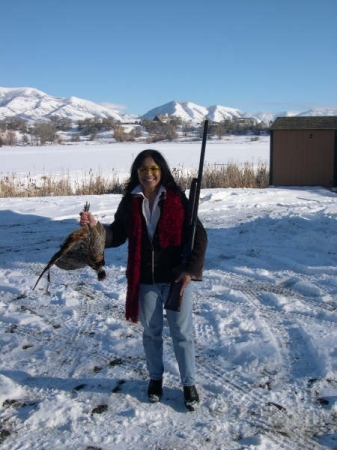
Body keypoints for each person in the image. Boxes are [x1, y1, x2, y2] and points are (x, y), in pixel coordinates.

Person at [80, 149, 207, 410]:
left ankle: (189, 384)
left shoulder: (175, 198)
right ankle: (156, 380)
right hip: (145, 279)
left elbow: (199, 235)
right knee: (151, 334)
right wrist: (96, 227)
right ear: (136, 173)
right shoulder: (130, 201)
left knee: (182, 333)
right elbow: (117, 235)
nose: (148, 174)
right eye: (143, 169)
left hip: (175, 279)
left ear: (162, 171)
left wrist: (189, 271)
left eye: (153, 169)